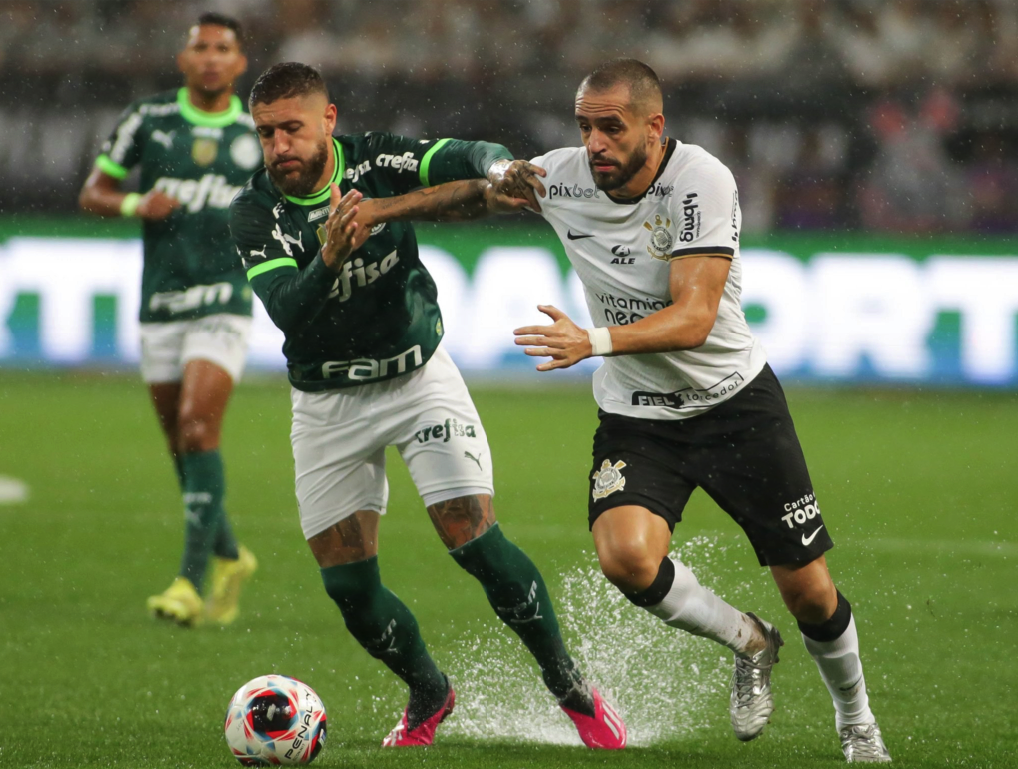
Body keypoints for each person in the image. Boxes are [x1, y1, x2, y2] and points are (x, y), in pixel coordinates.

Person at [228, 62, 626, 749]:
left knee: (474, 540)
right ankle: (430, 691)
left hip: (416, 380)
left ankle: (571, 688)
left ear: (328, 120)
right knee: (349, 590)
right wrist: (329, 257)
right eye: (266, 133)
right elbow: (289, 312)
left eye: (291, 128)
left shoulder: (375, 160)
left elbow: (461, 155)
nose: (279, 146)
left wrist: (499, 168)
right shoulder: (254, 210)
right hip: (326, 402)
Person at [510, 59, 892, 763]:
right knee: (626, 557)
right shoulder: (561, 175)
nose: (593, 142)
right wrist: (381, 208)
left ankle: (857, 721)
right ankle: (749, 640)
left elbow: (694, 318)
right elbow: (476, 191)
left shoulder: (701, 180)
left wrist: (591, 341)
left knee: (810, 592)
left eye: (610, 127)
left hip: (735, 406)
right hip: (638, 414)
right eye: (584, 126)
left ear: (654, 126)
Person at [79, 13, 259, 627]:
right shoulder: (149, 118)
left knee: (197, 427)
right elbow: (93, 192)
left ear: (240, 63)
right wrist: (136, 201)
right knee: (182, 445)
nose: (210, 57)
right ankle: (231, 555)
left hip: (226, 299)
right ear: (183, 60)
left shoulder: (256, 131)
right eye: (200, 47)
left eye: (222, 48)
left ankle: (188, 581)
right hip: (160, 302)